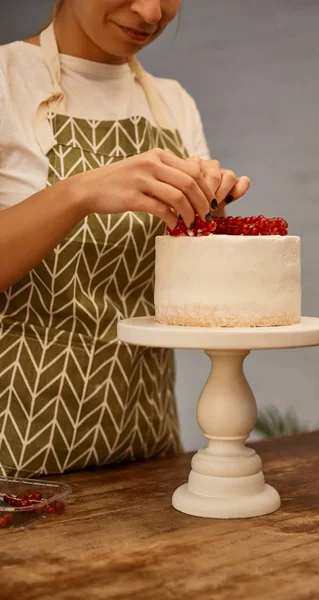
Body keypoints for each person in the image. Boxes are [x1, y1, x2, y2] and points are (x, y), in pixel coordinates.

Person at [0, 0, 250, 478]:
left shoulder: (174, 103)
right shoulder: (7, 81)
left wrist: (210, 212)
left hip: (145, 445)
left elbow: (187, 285)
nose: (151, 12)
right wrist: (79, 192)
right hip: (13, 452)